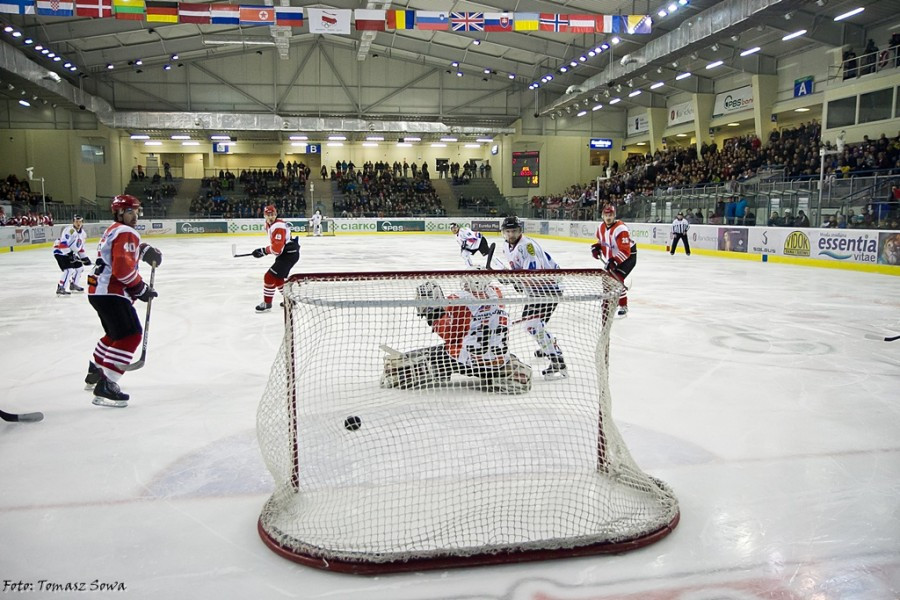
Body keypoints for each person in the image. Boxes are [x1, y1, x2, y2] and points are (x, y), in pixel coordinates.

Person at [380, 279, 532, 394]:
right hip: (496, 361)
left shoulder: (460, 299)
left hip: (467, 362)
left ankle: (399, 374)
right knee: (505, 355)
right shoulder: (497, 294)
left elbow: (449, 335)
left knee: (436, 355)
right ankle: (514, 375)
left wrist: (432, 312)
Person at [84, 194, 162, 408]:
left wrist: (143, 249)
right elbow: (122, 269)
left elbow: (118, 255)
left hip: (98, 291)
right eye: (130, 211)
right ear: (118, 212)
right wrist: (140, 288)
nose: (135, 215)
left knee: (114, 335)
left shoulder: (113, 230)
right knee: (130, 336)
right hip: (112, 292)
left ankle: (96, 368)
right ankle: (107, 384)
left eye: (137, 211)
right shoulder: (126, 231)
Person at [500, 215, 566, 378]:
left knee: (532, 325)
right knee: (534, 325)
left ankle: (557, 360)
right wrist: (514, 280)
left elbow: (532, 275)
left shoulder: (527, 246)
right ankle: (548, 345)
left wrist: (512, 280)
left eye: (514, 231)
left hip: (549, 289)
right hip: (536, 290)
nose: (511, 235)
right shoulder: (506, 246)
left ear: (520, 231)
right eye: (507, 232)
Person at [252, 204, 300, 312]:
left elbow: (278, 248)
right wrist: (264, 251)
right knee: (278, 279)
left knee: (269, 277)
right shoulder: (268, 225)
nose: (271, 217)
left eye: (273, 214)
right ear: (264, 215)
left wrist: (264, 251)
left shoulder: (278, 226)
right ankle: (290, 301)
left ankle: (267, 304)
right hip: (287, 254)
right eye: (268, 215)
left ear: (276, 214)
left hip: (288, 254)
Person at [592, 204, 637, 318]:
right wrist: (596, 247)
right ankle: (607, 303)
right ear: (602, 216)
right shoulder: (601, 227)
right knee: (606, 280)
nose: (608, 217)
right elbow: (600, 240)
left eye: (611, 215)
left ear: (614, 215)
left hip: (628, 257)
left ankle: (623, 306)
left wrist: (615, 261)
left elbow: (626, 251)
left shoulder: (621, 228)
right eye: (606, 215)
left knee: (616, 279)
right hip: (614, 257)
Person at [52, 214, 91, 295]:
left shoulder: (83, 234)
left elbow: (80, 248)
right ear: (73, 222)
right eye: (76, 221)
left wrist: (85, 258)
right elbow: (63, 244)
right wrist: (69, 254)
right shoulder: (69, 230)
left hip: (69, 253)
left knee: (79, 267)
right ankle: (61, 287)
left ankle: (73, 284)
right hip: (60, 252)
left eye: (80, 222)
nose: (78, 223)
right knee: (69, 270)